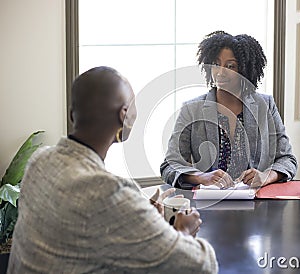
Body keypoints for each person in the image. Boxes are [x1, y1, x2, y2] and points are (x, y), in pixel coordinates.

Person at [8, 66, 218, 273]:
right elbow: (201, 264)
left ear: (73, 115)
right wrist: (183, 230)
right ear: (124, 115)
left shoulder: (39, 161)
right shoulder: (108, 191)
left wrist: (141, 218)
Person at [160, 31, 297, 189]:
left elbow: (287, 159)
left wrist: (267, 176)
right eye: (216, 64)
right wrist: (201, 177)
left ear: (244, 70)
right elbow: (169, 165)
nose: (220, 72)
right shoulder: (191, 110)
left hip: (257, 202)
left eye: (230, 66)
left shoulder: (265, 105)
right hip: (209, 204)